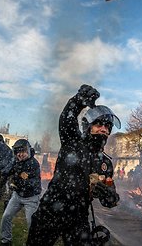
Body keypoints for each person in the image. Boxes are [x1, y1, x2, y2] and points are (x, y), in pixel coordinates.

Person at [27, 84, 121, 246]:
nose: (104, 129)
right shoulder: (73, 142)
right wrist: (79, 100)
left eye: (108, 127)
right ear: (88, 126)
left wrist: (109, 196)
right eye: (99, 124)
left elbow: (110, 200)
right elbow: (67, 117)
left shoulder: (105, 163)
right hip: (51, 210)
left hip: (78, 217)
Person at [0, 139, 41, 246]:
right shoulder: (16, 161)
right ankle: (5, 240)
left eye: (23, 151)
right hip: (17, 196)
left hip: (31, 198)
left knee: (32, 222)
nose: (21, 154)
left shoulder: (34, 164)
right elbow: (6, 172)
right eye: (18, 152)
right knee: (6, 216)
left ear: (28, 150)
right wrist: (8, 166)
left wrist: (19, 182)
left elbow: (33, 183)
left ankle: (34, 242)